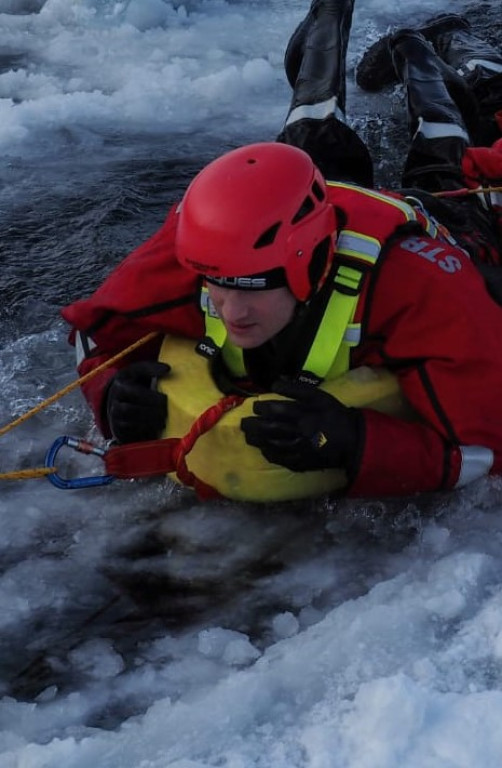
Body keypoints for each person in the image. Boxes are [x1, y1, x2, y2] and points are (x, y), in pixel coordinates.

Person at [62, 0, 502, 498]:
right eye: (218, 287)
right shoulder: (203, 245)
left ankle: (417, 47)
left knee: (443, 154)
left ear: (308, 266)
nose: (232, 310)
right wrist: (110, 392)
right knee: (310, 133)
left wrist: (359, 443)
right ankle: (328, 15)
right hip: (310, 199)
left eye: (250, 288)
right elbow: (91, 327)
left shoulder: (423, 288)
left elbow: (487, 448)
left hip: (437, 217)